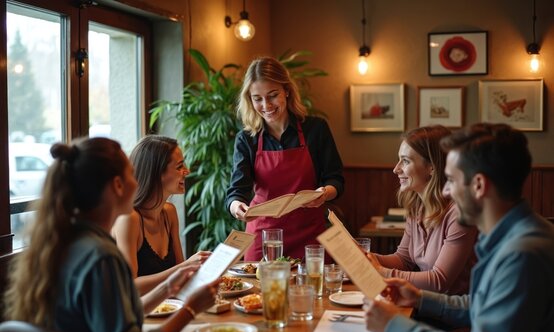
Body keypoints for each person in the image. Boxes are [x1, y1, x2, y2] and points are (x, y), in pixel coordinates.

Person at [3, 137, 218, 332]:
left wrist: (166, 288)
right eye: (130, 174)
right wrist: (190, 310)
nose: (137, 182)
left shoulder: (66, 241)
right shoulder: (101, 257)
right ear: (117, 185)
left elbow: (113, 319)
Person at [364, 123, 554, 332]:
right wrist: (420, 298)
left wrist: (395, 325)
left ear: (479, 185)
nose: (445, 192)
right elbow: (481, 305)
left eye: (451, 180)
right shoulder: (510, 235)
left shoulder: (522, 255)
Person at [226, 56, 344, 261]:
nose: (266, 105)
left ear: (287, 91)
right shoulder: (246, 139)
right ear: (249, 99)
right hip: (263, 236)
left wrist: (324, 193)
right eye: (257, 98)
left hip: (309, 235)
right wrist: (237, 207)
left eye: (273, 95)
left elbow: (336, 179)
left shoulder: (315, 129)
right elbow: (237, 191)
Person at [367, 125, 477, 295]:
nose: (396, 169)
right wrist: (367, 257)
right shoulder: (417, 207)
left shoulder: (459, 214)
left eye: (405, 161)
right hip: (422, 306)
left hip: (454, 316)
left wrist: (381, 272)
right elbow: (404, 260)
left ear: (432, 167)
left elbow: (439, 281)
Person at [113, 135, 211, 295]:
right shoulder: (129, 219)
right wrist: (186, 266)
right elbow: (130, 287)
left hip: (168, 307)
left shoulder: (169, 213)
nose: (187, 171)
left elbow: (181, 275)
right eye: (179, 166)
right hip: (138, 315)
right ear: (156, 173)